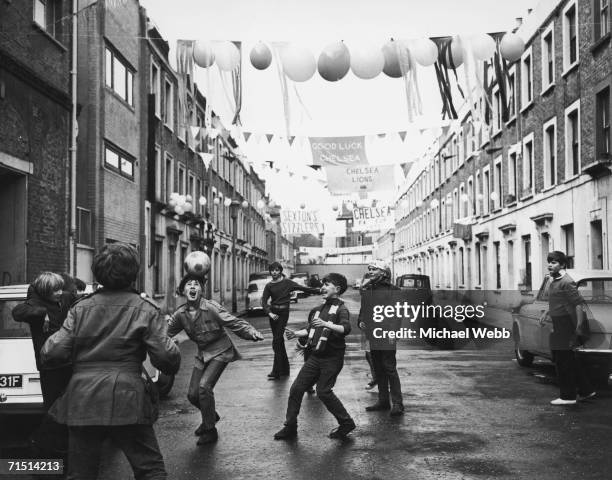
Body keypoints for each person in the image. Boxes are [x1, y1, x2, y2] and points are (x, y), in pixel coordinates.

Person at [41, 243, 181, 480]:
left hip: (83, 400)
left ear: (99, 272)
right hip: (128, 398)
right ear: (133, 273)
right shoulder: (145, 309)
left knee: (81, 474)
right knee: (150, 470)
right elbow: (167, 359)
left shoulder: (80, 309)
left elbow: (51, 353)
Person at [168, 273, 264, 445]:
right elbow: (163, 335)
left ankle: (210, 430)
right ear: (183, 290)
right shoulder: (180, 314)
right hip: (203, 353)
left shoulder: (211, 307)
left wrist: (251, 333)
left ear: (201, 290)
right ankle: (210, 415)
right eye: (188, 284)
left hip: (220, 350)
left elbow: (234, 322)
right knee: (192, 395)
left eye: (196, 284)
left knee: (204, 387)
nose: (192, 287)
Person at [274, 273, 355, 440]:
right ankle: (290, 427)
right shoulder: (320, 308)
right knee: (296, 389)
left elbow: (345, 329)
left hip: (332, 358)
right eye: (322, 284)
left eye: (327, 284)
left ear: (337, 289)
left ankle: (346, 423)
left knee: (323, 391)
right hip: (316, 357)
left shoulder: (341, 309)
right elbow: (312, 328)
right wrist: (296, 334)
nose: (322, 287)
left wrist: (327, 324)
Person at [12, 272, 80, 460]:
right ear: (43, 292)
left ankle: (64, 450)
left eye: (60, 288)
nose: (59, 293)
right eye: (54, 290)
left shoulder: (65, 298)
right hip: (50, 367)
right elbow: (17, 312)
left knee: (71, 407)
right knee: (53, 410)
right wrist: (42, 312)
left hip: (70, 363)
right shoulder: (35, 305)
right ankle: (44, 447)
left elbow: (76, 295)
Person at [546, 251, 596, 406]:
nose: (550, 265)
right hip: (559, 322)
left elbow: (578, 305)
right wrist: (547, 313)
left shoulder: (567, 282)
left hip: (566, 324)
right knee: (569, 359)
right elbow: (558, 301)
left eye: (554, 262)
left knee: (563, 361)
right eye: (549, 262)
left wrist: (579, 326)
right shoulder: (553, 280)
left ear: (562, 265)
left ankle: (568, 397)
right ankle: (586, 390)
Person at [358, 260, 405, 416]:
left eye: (374, 269)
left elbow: (397, 315)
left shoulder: (394, 290)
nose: (370, 271)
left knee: (389, 368)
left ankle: (398, 403)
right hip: (372, 334)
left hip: (387, 333)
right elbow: (363, 308)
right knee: (378, 368)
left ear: (384, 272)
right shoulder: (368, 289)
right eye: (369, 269)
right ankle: (383, 401)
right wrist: (361, 321)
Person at [261, 262, 320, 380]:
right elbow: (264, 302)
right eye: (272, 270)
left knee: (277, 341)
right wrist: (270, 313)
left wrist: (320, 290)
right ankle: (285, 369)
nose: (274, 272)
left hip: (283, 314)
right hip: (273, 315)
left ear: (280, 271)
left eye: (277, 270)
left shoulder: (287, 283)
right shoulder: (269, 286)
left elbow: (303, 288)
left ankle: (276, 371)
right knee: (278, 341)